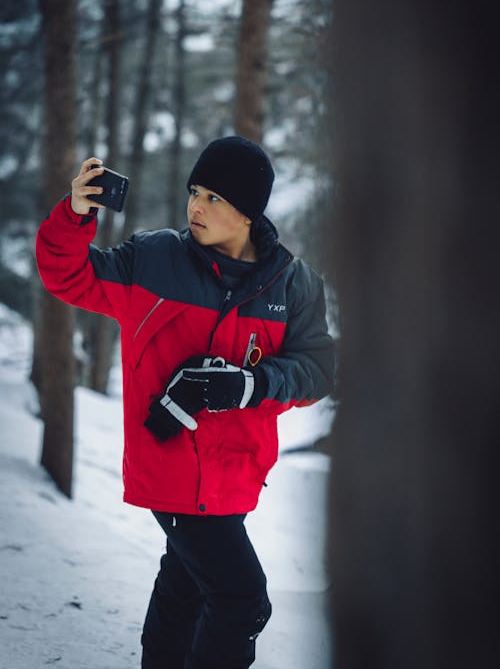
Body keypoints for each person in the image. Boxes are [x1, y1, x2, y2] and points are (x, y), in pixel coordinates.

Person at [36, 135, 335, 669]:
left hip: (237, 473)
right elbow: (69, 276)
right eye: (194, 191)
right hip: (170, 466)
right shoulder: (153, 259)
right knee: (242, 600)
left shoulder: (294, 285)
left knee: (186, 589)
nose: (196, 205)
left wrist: (248, 385)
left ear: (247, 212)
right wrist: (75, 215)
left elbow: (316, 370)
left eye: (214, 197)